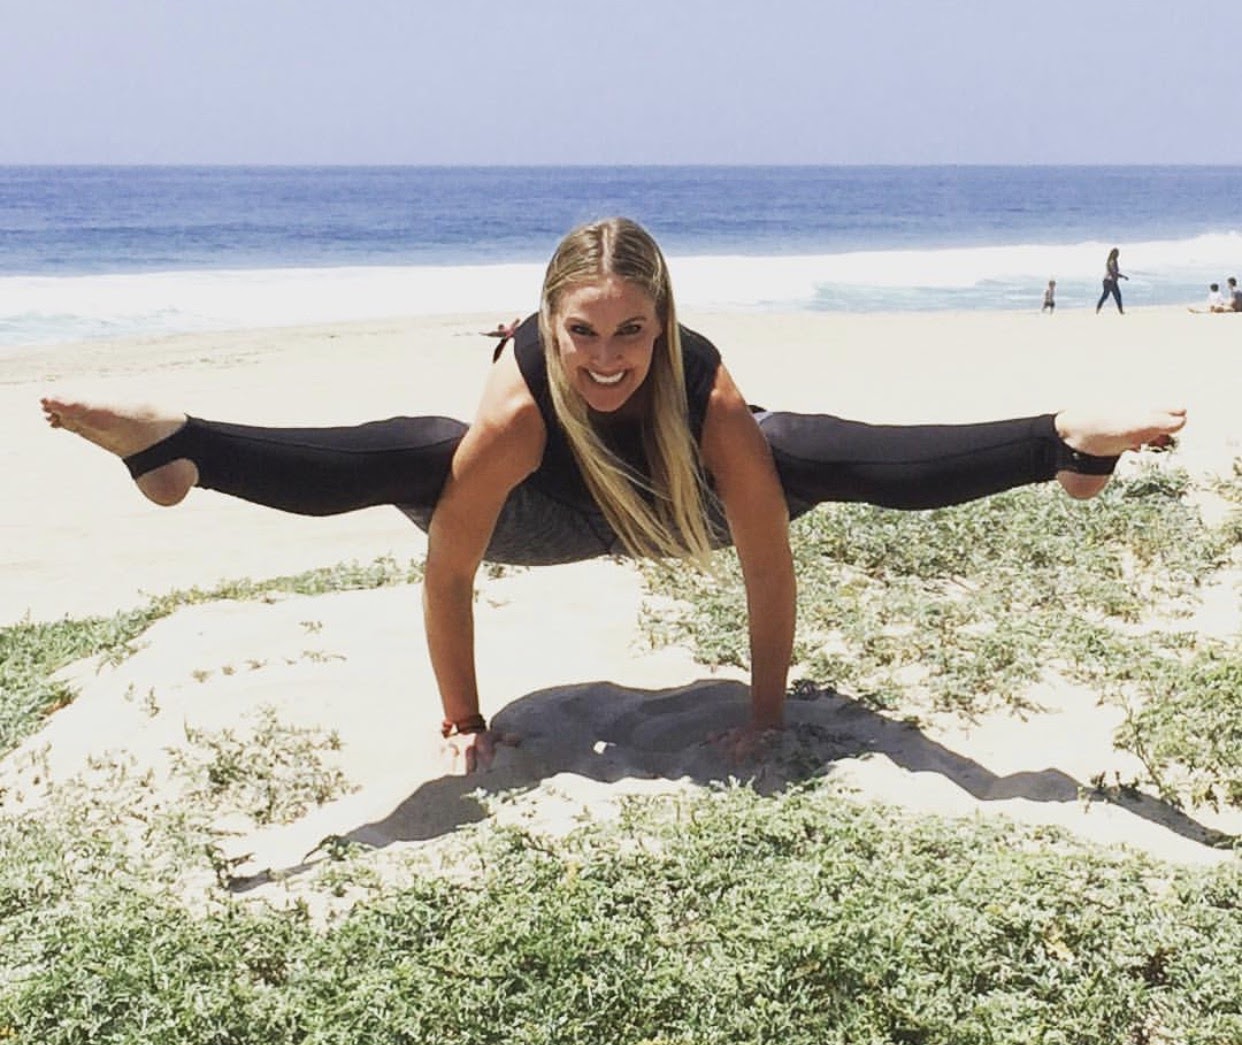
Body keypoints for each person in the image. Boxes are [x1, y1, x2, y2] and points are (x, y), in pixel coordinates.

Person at [42, 218, 1186, 773]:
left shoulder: (706, 388)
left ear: (665, 320)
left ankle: (1059, 448)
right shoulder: (521, 406)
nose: (607, 357)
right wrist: (461, 721)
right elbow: (449, 567)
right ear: (545, 325)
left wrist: (770, 709)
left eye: (632, 331)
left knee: (806, 445)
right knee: (419, 449)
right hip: (542, 524)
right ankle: (182, 447)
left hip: (679, 507)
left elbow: (766, 557)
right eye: (581, 332)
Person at [1095, 247, 1127, 314]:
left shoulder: (1111, 261)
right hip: (1110, 281)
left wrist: (1121, 276)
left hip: (1108, 281)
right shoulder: (1112, 261)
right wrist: (1123, 276)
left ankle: (1097, 310)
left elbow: (1113, 272)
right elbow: (1113, 273)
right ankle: (1121, 311)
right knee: (1117, 296)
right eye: (1117, 253)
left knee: (1105, 296)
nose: (1118, 255)